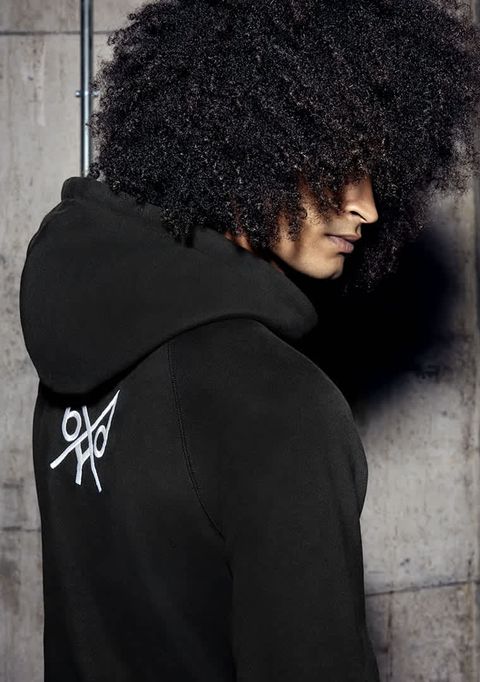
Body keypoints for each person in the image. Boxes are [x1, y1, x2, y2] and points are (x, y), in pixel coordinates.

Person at [19, 0, 480, 680]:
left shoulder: (83, 344)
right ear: (245, 142)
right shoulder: (282, 408)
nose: (368, 206)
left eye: (374, 170)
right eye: (339, 164)